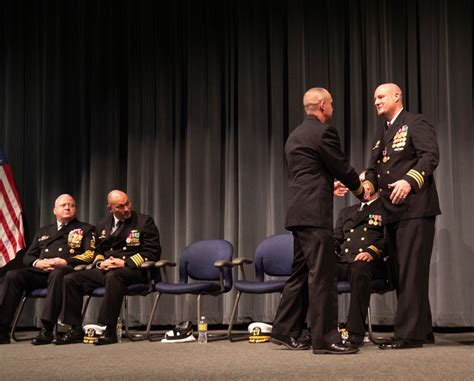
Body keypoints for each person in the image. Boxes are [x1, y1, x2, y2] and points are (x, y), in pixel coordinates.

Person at [270, 87, 369, 355]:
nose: (333, 109)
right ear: (323, 105)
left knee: (300, 272)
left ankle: (284, 330)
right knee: (323, 275)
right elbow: (339, 164)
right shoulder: (324, 131)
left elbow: (308, 173)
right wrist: (360, 190)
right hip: (315, 214)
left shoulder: (294, 136)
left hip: (298, 212)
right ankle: (325, 338)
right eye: (332, 104)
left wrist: (328, 184)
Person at [364, 83, 440, 349]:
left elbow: (430, 156)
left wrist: (410, 180)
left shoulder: (415, 123)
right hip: (392, 212)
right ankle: (422, 331)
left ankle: (407, 335)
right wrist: (363, 186)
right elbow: (374, 171)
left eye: (381, 96)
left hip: (416, 210)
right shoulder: (381, 135)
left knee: (410, 273)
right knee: (401, 273)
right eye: (374, 98)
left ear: (398, 96)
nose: (376, 101)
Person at [56, 190, 161, 345]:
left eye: (127, 203)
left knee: (114, 276)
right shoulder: (102, 224)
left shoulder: (144, 222)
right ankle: (75, 328)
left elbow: (153, 252)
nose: (126, 209)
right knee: (71, 279)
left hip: (135, 270)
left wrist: (123, 263)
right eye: (120, 206)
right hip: (107, 268)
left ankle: (108, 329)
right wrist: (100, 263)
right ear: (110, 208)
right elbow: (98, 251)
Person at [0, 194, 95, 345]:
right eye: (63, 205)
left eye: (71, 205)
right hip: (42, 273)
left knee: (58, 273)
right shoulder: (44, 231)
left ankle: (47, 328)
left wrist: (65, 261)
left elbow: (90, 255)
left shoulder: (85, 229)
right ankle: (2, 329)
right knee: (13, 275)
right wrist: (38, 263)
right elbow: (28, 256)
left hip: (67, 272)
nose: (67, 208)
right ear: (54, 210)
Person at [334, 173, 384, 347]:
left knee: (360, 266)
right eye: (359, 182)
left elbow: (390, 239)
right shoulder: (346, 212)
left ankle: (355, 332)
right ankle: (317, 330)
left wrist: (372, 251)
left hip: (370, 263)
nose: (362, 185)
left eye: (365, 181)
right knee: (318, 269)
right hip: (344, 261)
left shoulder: (385, 208)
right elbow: (336, 239)